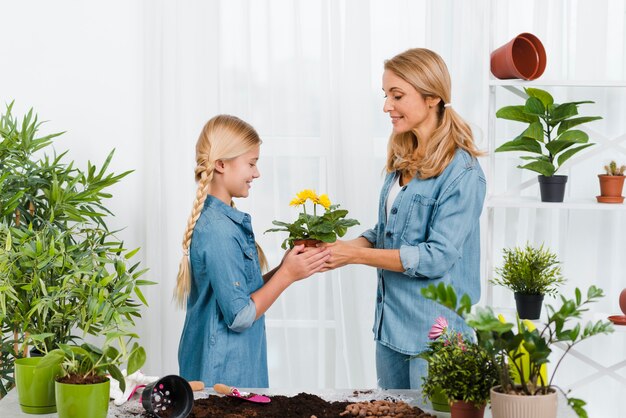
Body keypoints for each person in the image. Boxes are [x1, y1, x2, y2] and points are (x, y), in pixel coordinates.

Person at [321, 48, 486, 389]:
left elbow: (436, 256)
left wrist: (357, 256)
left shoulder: (463, 172)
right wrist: (339, 250)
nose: (386, 106)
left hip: (436, 339)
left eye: (397, 96)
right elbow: (388, 232)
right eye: (386, 95)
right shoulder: (402, 156)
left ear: (433, 98)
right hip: (391, 331)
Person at [174, 114, 330, 387]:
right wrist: (286, 277)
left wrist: (285, 269)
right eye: (251, 163)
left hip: (231, 365)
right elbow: (239, 316)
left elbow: (241, 295)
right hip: (223, 373)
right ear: (221, 164)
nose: (256, 173)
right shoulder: (219, 230)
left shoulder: (222, 222)